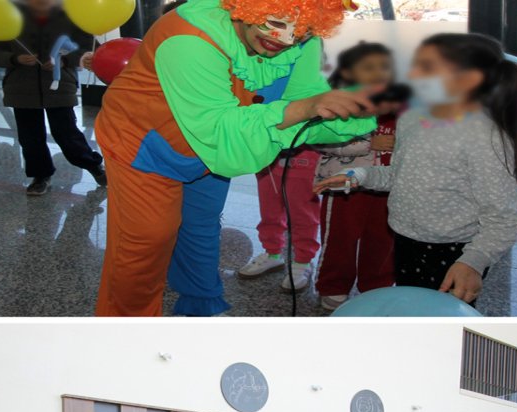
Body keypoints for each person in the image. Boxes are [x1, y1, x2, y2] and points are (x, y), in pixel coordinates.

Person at [92, 0, 379, 316]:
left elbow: (304, 100)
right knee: (147, 239)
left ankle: (200, 306)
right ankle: (129, 326)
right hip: (144, 142)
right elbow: (221, 129)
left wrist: (351, 109)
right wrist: (303, 109)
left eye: (302, 30)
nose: (287, 39)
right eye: (276, 22)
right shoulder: (189, 36)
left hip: (213, 150)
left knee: (201, 225)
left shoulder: (302, 40)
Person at [312, 35, 517, 306]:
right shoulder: (411, 119)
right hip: (405, 240)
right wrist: (359, 175)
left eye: (427, 67)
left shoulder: (483, 136)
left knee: (441, 318)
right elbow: (398, 175)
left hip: (454, 253)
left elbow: (504, 219)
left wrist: (473, 262)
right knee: (413, 310)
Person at [312, 42, 401, 310]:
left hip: (389, 188)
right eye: (367, 68)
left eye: (384, 68)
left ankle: (376, 286)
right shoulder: (338, 107)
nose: (377, 74)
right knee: (340, 238)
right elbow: (321, 142)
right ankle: (334, 285)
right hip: (345, 188)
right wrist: (368, 144)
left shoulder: (403, 110)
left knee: (384, 239)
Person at [0, 0, 105, 195]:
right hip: (21, 88)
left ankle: (94, 166)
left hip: (60, 85)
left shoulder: (71, 17)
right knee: (30, 137)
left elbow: (90, 49)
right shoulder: (9, 17)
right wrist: (15, 59)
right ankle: (40, 176)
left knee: (67, 134)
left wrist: (65, 60)